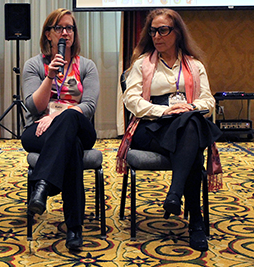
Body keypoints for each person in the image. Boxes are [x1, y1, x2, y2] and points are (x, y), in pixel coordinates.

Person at [117, 8, 222, 251]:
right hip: (149, 126)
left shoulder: (194, 66)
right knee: (193, 139)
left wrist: (189, 106)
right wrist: (162, 110)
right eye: (153, 31)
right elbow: (131, 100)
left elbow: (208, 101)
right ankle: (195, 221)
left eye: (163, 30)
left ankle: (176, 197)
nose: (157, 36)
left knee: (191, 124)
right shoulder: (142, 64)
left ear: (177, 33)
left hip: (185, 120)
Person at [21, 8, 100, 251]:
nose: (65, 33)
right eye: (59, 28)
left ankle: (43, 184)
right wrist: (50, 76)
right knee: (71, 147)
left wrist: (57, 115)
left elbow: (88, 106)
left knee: (68, 121)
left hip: (78, 126)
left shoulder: (86, 66)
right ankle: (74, 228)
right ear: (48, 35)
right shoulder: (34, 65)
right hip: (40, 131)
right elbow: (34, 106)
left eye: (70, 28)